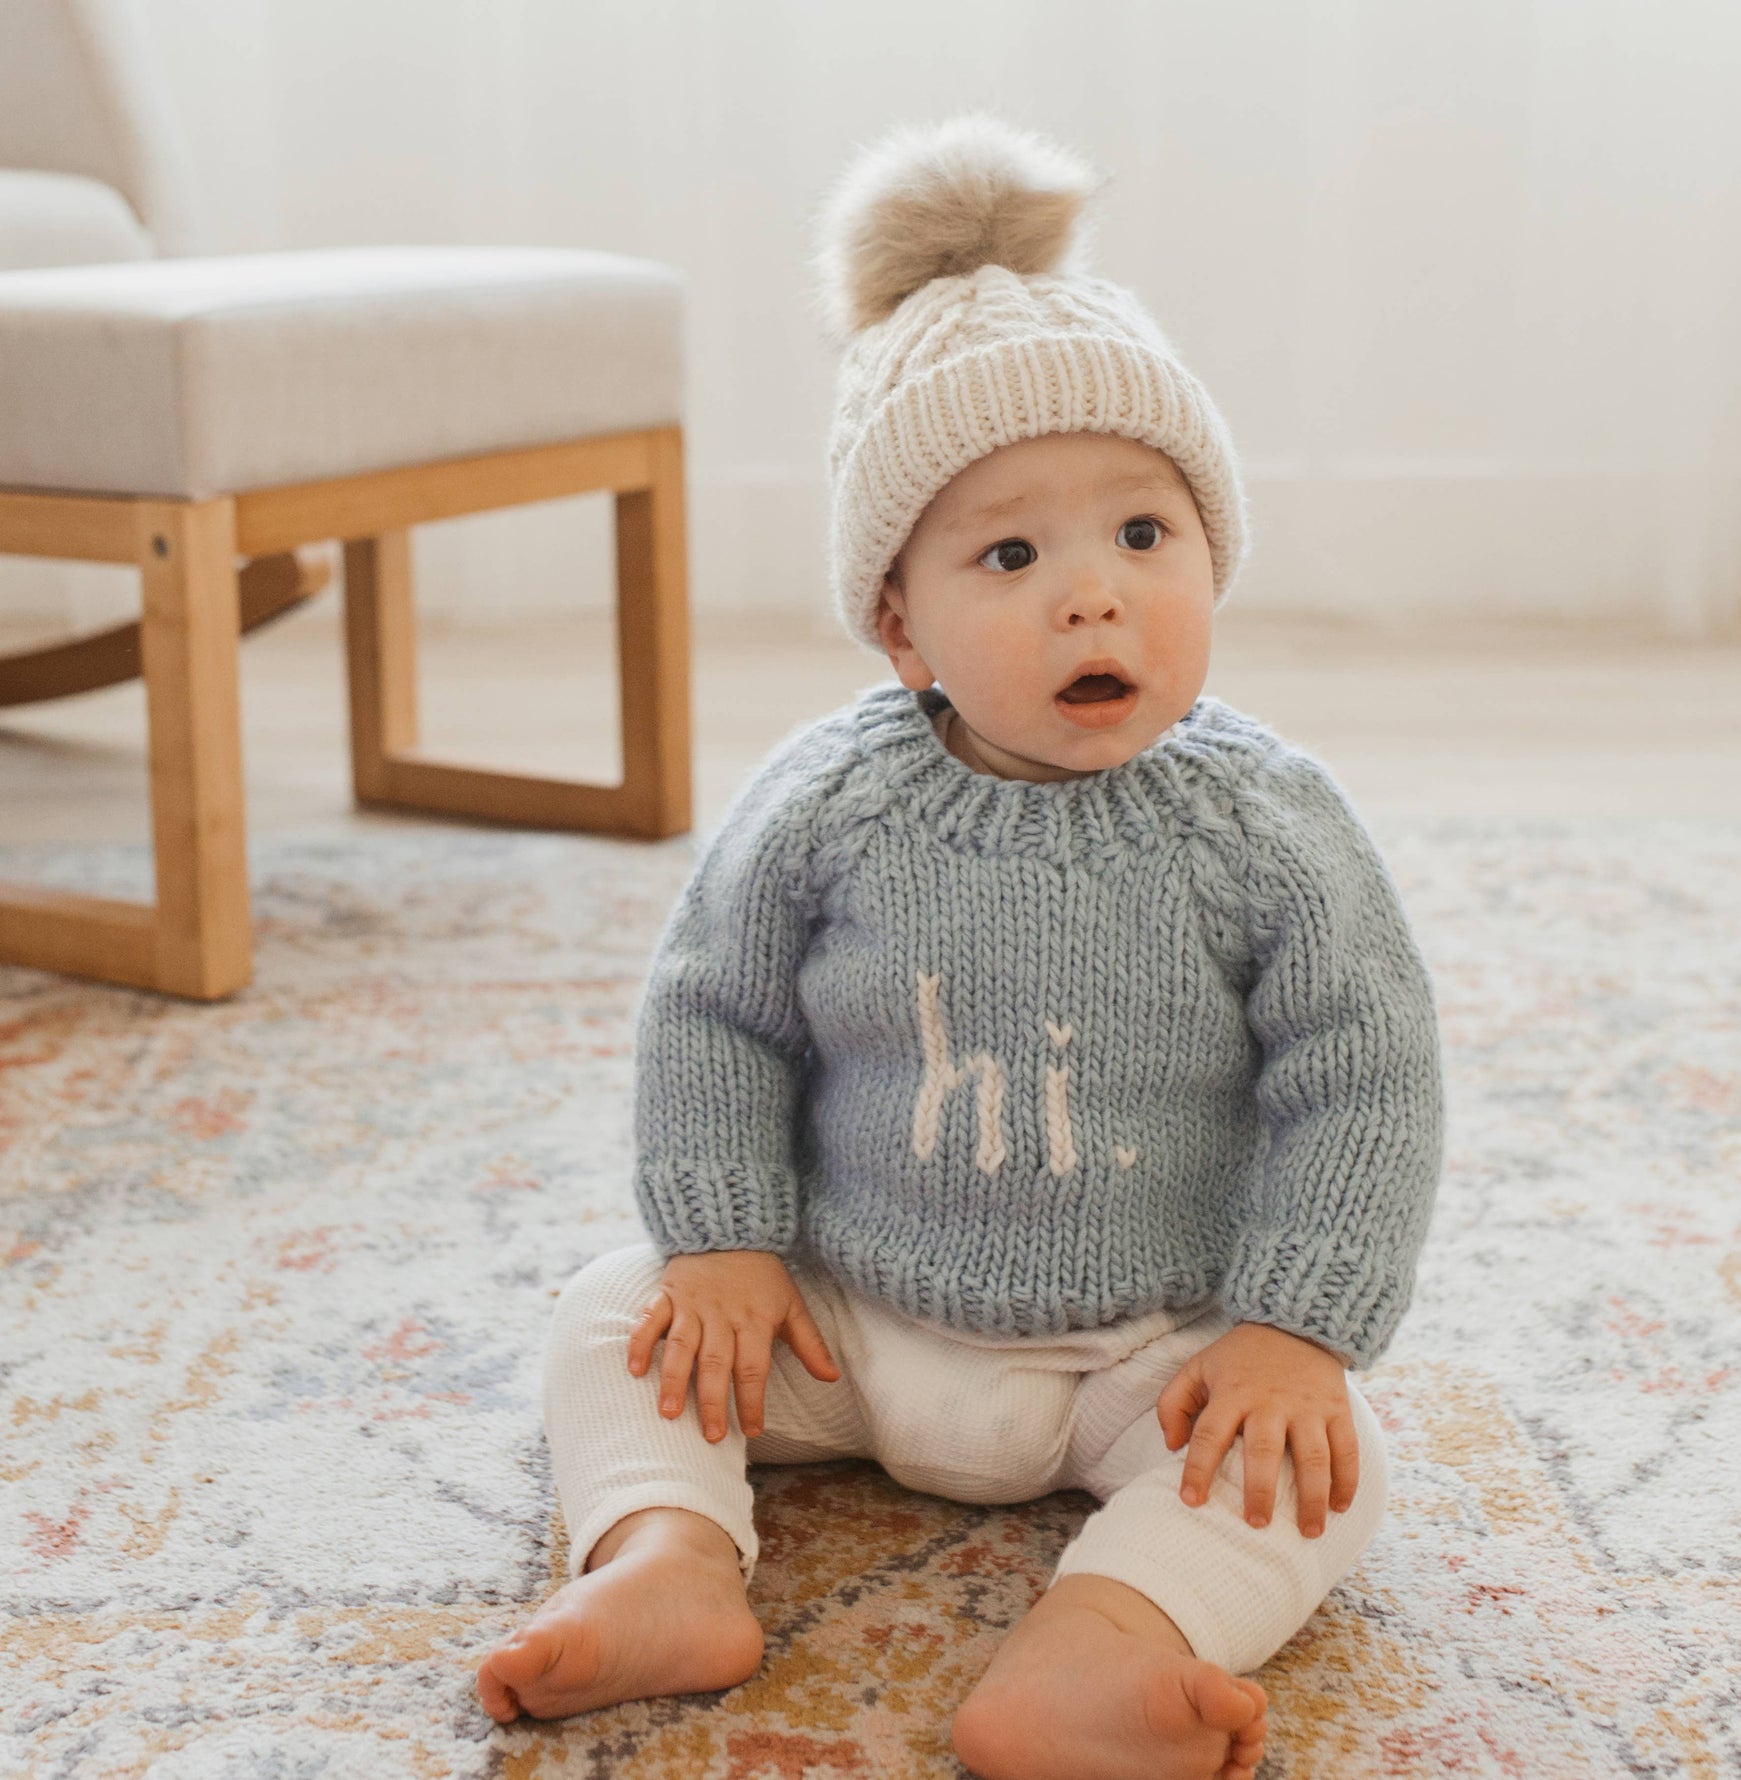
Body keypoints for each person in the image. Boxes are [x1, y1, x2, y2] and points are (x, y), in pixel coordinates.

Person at [476, 111, 1445, 1780]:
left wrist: (1291, 1330)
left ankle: (1107, 1639)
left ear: (1212, 556)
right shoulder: (828, 803)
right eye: (1012, 553)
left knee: (1324, 1457)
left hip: (1146, 1352)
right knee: (613, 1312)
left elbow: (1366, 1078)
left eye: (1144, 535)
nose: (1094, 595)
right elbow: (714, 1014)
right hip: (845, 1322)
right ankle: (665, 1558)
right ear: (901, 621)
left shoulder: (1269, 826)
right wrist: (725, 1245)